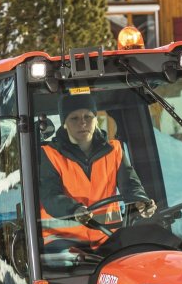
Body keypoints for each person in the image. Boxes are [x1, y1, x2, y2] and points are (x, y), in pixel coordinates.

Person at [38, 92, 156, 249]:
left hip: (107, 238)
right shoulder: (49, 154)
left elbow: (130, 184)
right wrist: (74, 210)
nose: (83, 123)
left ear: (96, 119)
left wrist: (140, 201)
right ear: (64, 123)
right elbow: (50, 195)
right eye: (74, 118)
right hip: (62, 242)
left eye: (88, 116)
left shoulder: (115, 150)